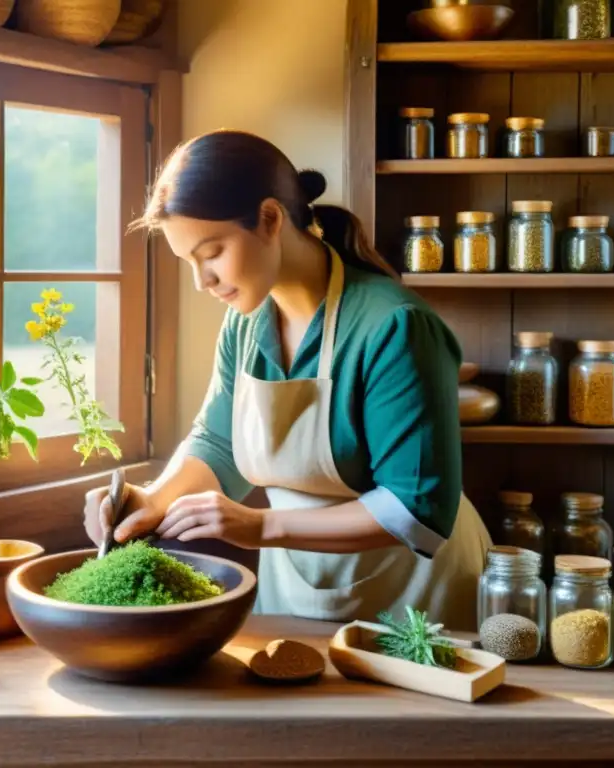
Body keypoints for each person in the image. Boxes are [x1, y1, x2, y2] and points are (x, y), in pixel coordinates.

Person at [83, 129, 492, 631]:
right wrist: (152, 498)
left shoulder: (394, 327)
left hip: (418, 596)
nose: (201, 281)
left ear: (270, 218)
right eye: (188, 261)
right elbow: (219, 441)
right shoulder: (246, 319)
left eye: (211, 252)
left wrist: (262, 525)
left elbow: (415, 512)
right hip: (295, 588)